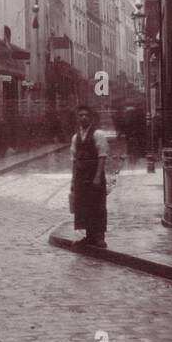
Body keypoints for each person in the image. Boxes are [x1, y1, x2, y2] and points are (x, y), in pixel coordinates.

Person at [70, 104, 109, 249]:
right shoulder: (75, 137)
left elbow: (102, 157)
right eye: (80, 115)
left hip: (94, 174)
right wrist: (73, 180)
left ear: (91, 117)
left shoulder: (98, 134)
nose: (83, 117)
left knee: (97, 205)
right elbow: (74, 160)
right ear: (77, 118)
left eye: (86, 115)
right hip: (81, 176)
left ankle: (99, 237)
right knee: (83, 206)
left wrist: (98, 176)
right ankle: (88, 236)